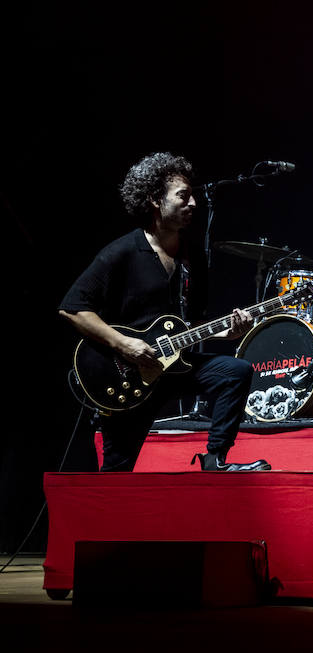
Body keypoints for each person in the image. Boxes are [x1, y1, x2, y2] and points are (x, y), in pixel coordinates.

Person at [59, 153, 269, 472]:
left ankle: (215, 459)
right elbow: (72, 309)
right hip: (127, 372)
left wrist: (228, 330)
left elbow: (194, 322)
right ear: (156, 200)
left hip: (173, 366)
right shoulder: (122, 252)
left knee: (235, 371)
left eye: (193, 195)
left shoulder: (192, 255)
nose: (194, 203)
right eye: (183, 195)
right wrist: (123, 344)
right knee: (117, 470)